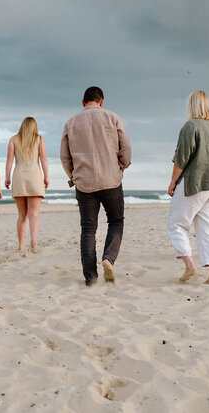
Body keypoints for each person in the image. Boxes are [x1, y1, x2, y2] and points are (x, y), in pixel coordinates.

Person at [60, 86, 132, 286]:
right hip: (111, 179)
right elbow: (125, 147)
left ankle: (90, 277)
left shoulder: (71, 122)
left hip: (84, 183)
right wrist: (123, 165)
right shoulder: (113, 117)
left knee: (88, 229)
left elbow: (65, 156)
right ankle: (109, 258)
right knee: (116, 221)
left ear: (83, 102)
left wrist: (73, 175)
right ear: (102, 101)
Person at [166, 90, 209, 285]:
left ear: (192, 106)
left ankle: (189, 264)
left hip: (194, 182)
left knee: (176, 224)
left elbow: (181, 158)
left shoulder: (191, 126)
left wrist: (173, 181)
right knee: (207, 228)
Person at [5, 117, 49, 253]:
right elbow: (43, 160)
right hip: (34, 176)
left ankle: (21, 245)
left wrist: (7, 177)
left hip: (19, 176)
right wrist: (46, 177)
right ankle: (33, 241)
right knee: (34, 214)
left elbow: (9, 161)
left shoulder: (13, 139)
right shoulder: (39, 139)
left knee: (22, 215)